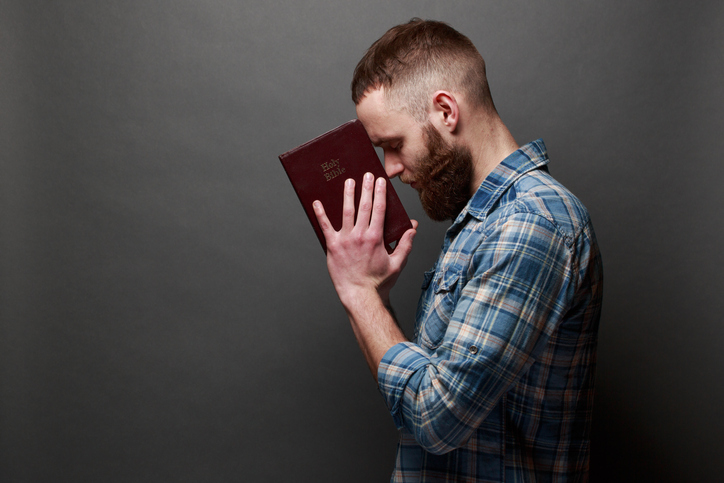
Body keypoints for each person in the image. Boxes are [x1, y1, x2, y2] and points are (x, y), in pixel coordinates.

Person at [312, 18, 603, 482]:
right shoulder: (481, 222)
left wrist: (359, 292)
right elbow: (422, 403)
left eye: (393, 144)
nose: (388, 168)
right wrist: (374, 298)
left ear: (446, 111)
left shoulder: (530, 223)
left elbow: (435, 419)